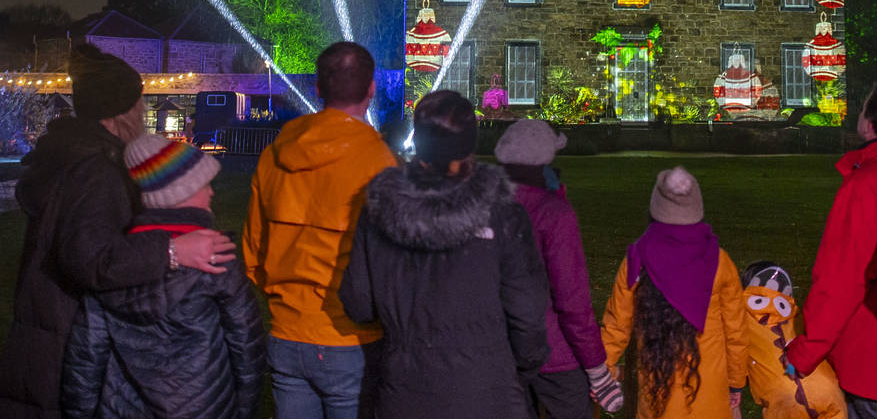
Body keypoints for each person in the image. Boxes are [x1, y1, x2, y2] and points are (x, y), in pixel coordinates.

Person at [0, 43, 234, 418]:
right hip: (69, 341)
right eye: (138, 102)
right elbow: (89, 259)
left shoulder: (73, 154)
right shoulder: (96, 170)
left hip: (53, 334)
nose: (142, 110)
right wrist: (173, 251)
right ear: (121, 110)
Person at [338, 90, 550, 417]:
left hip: (406, 389)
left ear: (420, 139)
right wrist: (519, 367)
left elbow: (359, 303)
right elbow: (528, 314)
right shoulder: (503, 215)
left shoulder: (378, 211)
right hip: (487, 389)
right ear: (469, 142)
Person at [61, 134, 266, 418]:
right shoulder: (216, 256)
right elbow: (247, 346)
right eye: (204, 184)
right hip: (205, 407)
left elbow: (86, 357)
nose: (211, 193)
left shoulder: (113, 262)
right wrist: (244, 408)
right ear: (182, 192)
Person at [243, 41, 397, 418]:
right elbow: (391, 264)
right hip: (350, 336)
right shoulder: (378, 161)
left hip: (286, 331)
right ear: (371, 89)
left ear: (317, 87)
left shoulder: (276, 153)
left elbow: (253, 250)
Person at [785, 82, 877, 419]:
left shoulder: (868, 183)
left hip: (874, 365)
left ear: (869, 124)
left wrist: (806, 351)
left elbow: (842, 278)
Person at [494, 119, 624, 417]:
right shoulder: (553, 213)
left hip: (502, 347)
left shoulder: (483, 206)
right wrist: (596, 368)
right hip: (554, 352)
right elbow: (572, 300)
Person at [601, 166, 748, 418]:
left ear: (656, 208)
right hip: (709, 392)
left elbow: (617, 324)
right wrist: (735, 381)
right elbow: (736, 330)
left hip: (657, 391)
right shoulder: (719, 261)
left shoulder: (637, 259)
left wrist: (603, 370)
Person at [740, 261, 845, 419]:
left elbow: (734, 359)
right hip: (830, 394)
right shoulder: (798, 318)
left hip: (784, 402)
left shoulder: (742, 322)